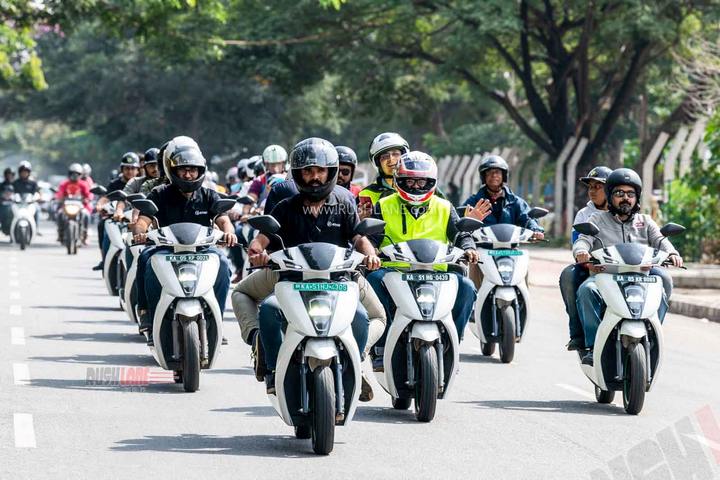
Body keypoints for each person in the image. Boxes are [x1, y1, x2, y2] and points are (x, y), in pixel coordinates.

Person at [231, 137, 386, 400]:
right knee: (258, 304)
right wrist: (257, 250)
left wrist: (370, 254)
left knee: (372, 316)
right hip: (291, 277)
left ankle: (356, 361)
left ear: (331, 172)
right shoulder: (285, 205)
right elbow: (264, 237)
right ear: (298, 174)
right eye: (308, 171)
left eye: (320, 171)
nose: (315, 177)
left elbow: (358, 237)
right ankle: (269, 362)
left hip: (340, 279)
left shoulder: (345, 201)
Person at [366, 151, 479, 371]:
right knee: (373, 279)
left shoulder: (444, 206)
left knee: (466, 286)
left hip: (438, 272)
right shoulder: (384, 204)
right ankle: (381, 346)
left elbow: (460, 234)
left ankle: (452, 342)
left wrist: (469, 247)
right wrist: (371, 253)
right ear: (399, 180)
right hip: (395, 271)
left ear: (431, 182)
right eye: (410, 181)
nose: (416, 186)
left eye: (421, 181)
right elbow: (371, 237)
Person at [131, 136, 237, 346]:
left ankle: (216, 320)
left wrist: (229, 233)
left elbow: (224, 220)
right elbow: (143, 220)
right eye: (183, 170)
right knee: (146, 260)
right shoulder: (159, 193)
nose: (188, 174)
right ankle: (150, 319)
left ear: (200, 171)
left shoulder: (208, 195)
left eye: (193, 170)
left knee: (224, 265)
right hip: (166, 251)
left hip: (203, 251)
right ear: (173, 171)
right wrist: (140, 232)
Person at [574, 168, 683, 366]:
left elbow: (660, 240)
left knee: (665, 279)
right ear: (610, 196)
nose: (625, 198)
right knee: (586, 290)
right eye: (619, 193)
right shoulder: (597, 219)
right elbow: (583, 240)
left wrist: (673, 253)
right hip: (606, 276)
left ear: (637, 197)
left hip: (640, 276)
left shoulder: (645, 221)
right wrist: (581, 252)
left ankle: (652, 330)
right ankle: (591, 346)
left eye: (630, 194)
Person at [462, 155, 545, 289]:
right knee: (473, 286)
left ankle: (522, 303)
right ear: (484, 177)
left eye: (497, 172)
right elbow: (461, 220)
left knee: (523, 279)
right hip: (484, 250)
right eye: (489, 172)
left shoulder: (516, 201)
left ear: (504, 176)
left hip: (510, 250)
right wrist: (468, 222)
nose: (493, 175)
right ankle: (474, 307)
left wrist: (536, 230)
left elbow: (528, 218)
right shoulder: (474, 201)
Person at [558, 166, 612, 351]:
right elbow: (577, 242)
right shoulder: (584, 214)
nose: (592, 191)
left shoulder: (622, 211)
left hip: (622, 268)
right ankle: (578, 334)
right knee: (568, 276)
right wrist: (586, 261)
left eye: (598, 186)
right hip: (591, 267)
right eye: (590, 186)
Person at [93, 152, 140, 271]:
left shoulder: (142, 183)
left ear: (138, 169)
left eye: (132, 168)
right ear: (122, 169)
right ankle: (105, 259)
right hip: (117, 217)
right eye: (127, 168)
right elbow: (106, 197)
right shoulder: (115, 183)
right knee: (102, 224)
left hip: (138, 218)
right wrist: (99, 205)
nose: (129, 171)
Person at [358, 132, 410, 219]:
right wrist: (359, 220)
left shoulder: (421, 186)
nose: (391, 159)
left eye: (395, 154)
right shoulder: (366, 194)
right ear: (378, 163)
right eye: (385, 157)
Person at [54, 163, 92, 243]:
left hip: (80, 206)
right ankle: (60, 233)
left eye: (77, 174)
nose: (74, 176)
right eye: (72, 173)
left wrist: (87, 199)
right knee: (60, 214)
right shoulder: (64, 184)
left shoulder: (83, 184)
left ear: (80, 175)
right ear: (69, 174)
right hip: (66, 206)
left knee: (86, 215)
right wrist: (58, 198)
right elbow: (59, 193)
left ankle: (85, 233)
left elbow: (89, 194)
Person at [1, 167, 15, 235]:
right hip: (3, 205)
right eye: (8, 174)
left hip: (14, 205)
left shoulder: (16, 185)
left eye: (11, 174)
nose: (9, 176)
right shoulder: (1, 185)